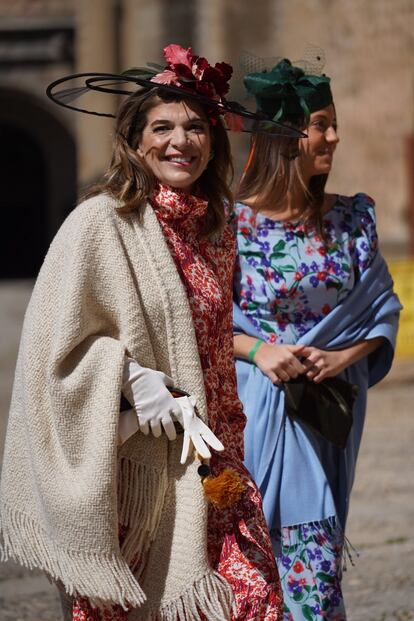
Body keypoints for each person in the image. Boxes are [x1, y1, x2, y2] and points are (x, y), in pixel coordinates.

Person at [0, 45, 306, 620]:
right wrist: (128, 375)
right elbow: (52, 349)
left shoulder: (217, 228)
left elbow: (221, 333)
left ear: (213, 141)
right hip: (135, 478)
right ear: (135, 141)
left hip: (216, 458)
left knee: (255, 604)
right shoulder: (98, 221)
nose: (180, 141)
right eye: (162, 126)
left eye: (195, 127)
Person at [232, 57, 401, 620]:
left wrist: (341, 355)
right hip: (253, 413)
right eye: (320, 124)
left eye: (334, 122)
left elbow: (381, 306)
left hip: (326, 410)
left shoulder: (353, 220)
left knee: (316, 555)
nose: (334, 135)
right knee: (259, 562)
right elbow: (199, 320)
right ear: (283, 136)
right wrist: (261, 350)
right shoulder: (230, 225)